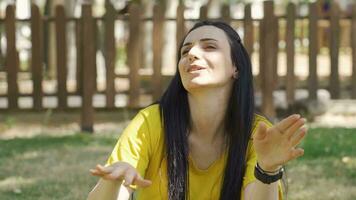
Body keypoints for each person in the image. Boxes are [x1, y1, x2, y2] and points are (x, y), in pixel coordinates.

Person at [87, 20, 307, 200]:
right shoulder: (152, 122)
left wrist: (267, 169)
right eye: (185, 51)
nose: (191, 53)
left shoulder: (257, 133)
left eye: (209, 46)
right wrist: (114, 182)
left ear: (235, 67)